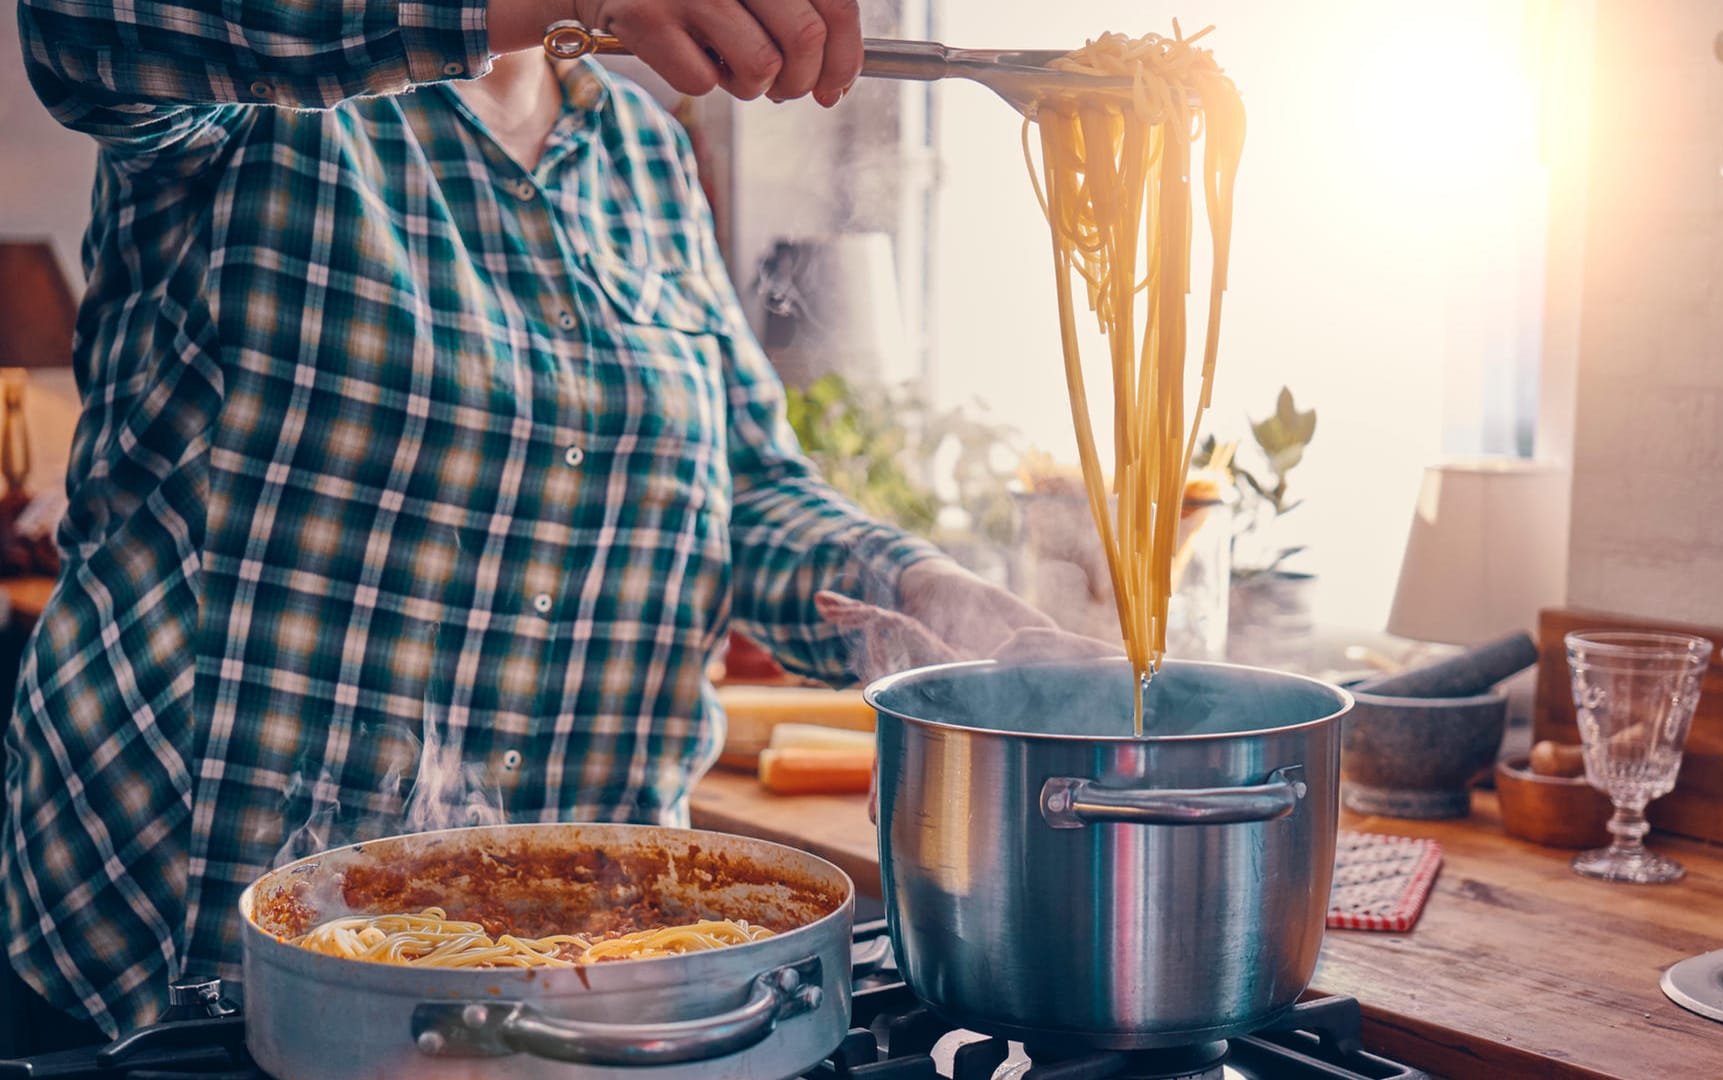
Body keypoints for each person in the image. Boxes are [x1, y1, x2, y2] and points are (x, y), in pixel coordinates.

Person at [6, 0, 1059, 1042]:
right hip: (187, 948)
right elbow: (82, 25)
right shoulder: (275, 92)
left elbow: (743, 494)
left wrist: (926, 595)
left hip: (589, 985)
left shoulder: (641, 150)